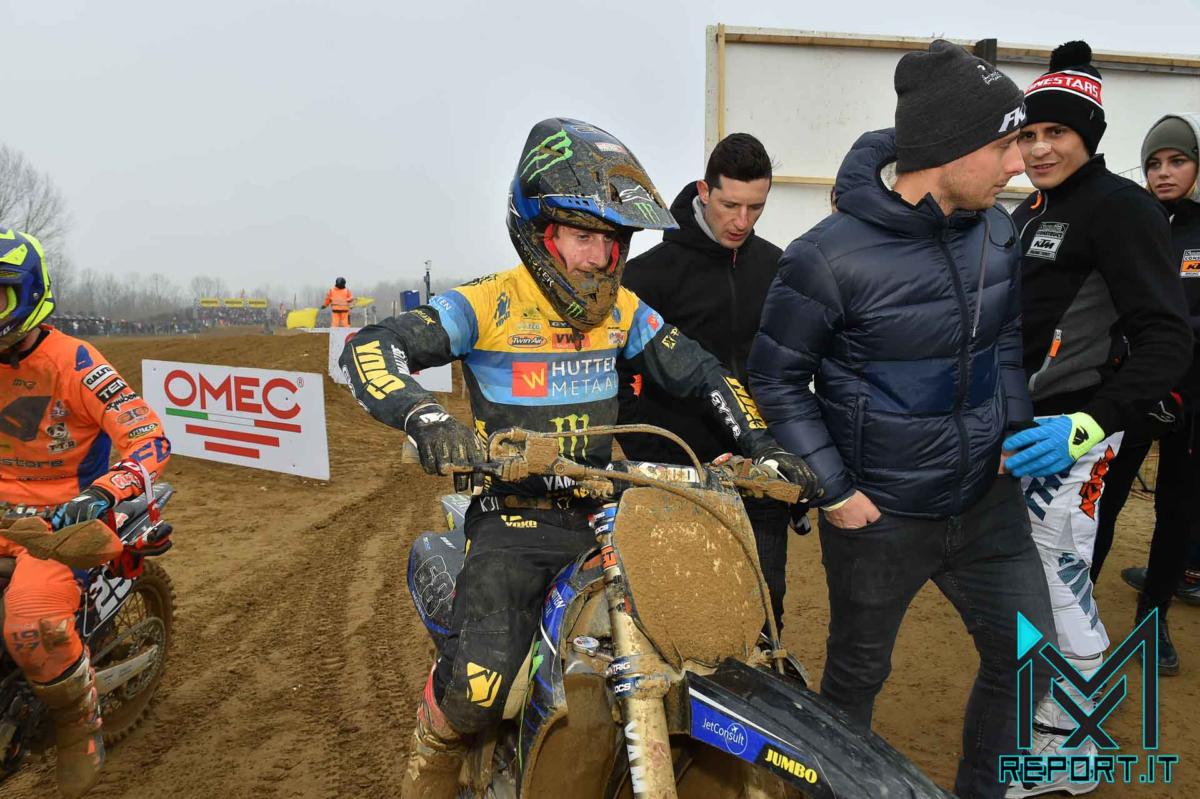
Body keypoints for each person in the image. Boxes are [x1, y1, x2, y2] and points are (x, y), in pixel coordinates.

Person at [339, 118, 817, 799]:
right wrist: (427, 418)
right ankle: (433, 750)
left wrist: (762, 447)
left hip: (605, 513)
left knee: (707, 642)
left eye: (611, 239)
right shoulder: (489, 302)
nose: (599, 257)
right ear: (541, 233)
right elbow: (369, 346)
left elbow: (704, 372)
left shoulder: (623, 311)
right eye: (581, 236)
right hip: (515, 519)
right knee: (481, 683)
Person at [748, 41, 1054, 799]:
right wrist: (835, 489)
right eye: (1005, 145)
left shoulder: (996, 231)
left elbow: (1005, 339)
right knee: (856, 678)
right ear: (949, 148)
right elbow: (776, 377)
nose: (1019, 163)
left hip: (986, 503)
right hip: (880, 514)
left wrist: (1015, 430)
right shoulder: (826, 257)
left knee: (1032, 660)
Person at [1002, 43, 1192, 797]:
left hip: (1073, 437)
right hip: (1021, 432)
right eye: (1028, 134)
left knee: (1061, 578)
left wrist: (1091, 423)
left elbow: (1168, 338)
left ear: (1089, 134)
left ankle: (1070, 754)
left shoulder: (1121, 208)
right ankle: (1052, 730)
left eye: (1057, 132)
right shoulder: (1030, 210)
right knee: (1029, 579)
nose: (1039, 148)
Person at [0, 228, 171, 798]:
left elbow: (149, 438)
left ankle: (79, 727)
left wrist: (103, 492)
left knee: (31, 625)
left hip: (59, 525)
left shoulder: (74, 362)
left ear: (28, 294)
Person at [616, 132, 798, 633]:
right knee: (676, 615)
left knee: (765, 614)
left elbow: (789, 369)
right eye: (730, 205)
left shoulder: (777, 267)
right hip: (676, 476)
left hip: (758, 474)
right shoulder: (647, 276)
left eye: (755, 207)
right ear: (704, 191)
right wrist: (650, 452)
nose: (742, 221)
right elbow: (618, 375)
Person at [1099, 112, 1200, 676]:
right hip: (1133, 391)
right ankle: (1075, 605)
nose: (1164, 172)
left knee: (1178, 510)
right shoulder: (1134, 223)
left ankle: (1152, 618)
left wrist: (1172, 339)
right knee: (1102, 501)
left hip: (1192, 397)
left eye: (1177, 160)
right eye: (1154, 163)